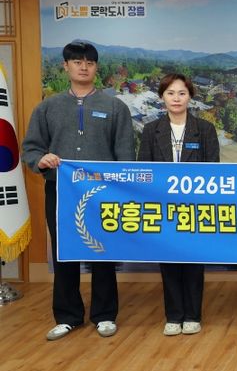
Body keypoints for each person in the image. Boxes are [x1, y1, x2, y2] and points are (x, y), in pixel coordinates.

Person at [22, 41, 135, 340]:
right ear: (66, 66)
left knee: (103, 251)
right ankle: (67, 316)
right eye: (77, 61)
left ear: (96, 67)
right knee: (65, 253)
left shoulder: (115, 107)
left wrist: (121, 191)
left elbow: (126, 155)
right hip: (61, 192)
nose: (83, 67)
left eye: (89, 62)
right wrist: (41, 160)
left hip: (104, 194)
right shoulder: (47, 107)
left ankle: (105, 314)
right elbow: (31, 149)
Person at [137, 73, 219, 336]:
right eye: (170, 93)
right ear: (162, 97)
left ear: (190, 97)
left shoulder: (205, 130)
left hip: (195, 207)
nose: (176, 98)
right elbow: (144, 170)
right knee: (169, 261)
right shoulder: (151, 130)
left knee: (193, 261)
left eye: (182, 93)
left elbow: (213, 171)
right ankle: (173, 315)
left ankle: (193, 315)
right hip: (162, 207)